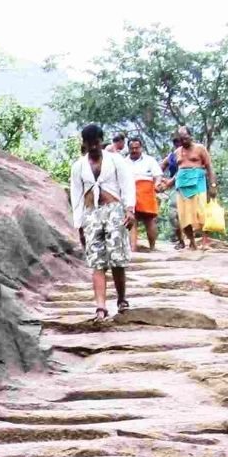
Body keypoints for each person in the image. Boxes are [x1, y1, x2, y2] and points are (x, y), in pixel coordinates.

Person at [71, 123, 136, 321]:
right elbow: (76, 195)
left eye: (96, 143)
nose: (93, 147)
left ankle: (121, 299)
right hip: (91, 214)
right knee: (96, 260)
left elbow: (127, 185)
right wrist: (79, 223)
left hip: (114, 211)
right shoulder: (78, 166)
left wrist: (130, 209)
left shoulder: (116, 161)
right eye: (89, 143)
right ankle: (100, 306)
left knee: (117, 258)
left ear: (101, 141)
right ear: (84, 143)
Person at [164, 125, 217, 250]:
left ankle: (205, 242)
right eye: (181, 139)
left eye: (186, 138)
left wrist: (213, 185)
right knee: (183, 216)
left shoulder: (200, 149)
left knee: (201, 212)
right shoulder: (177, 152)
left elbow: (209, 167)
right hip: (181, 185)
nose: (184, 141)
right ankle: (192, 242)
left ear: (191, 136)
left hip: (198, 183)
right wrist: (166, 183)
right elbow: (174, 171)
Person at [126, 136, 163, 250]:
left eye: (137, 148)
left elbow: (158, 175)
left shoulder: (150, 160)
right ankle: (133, 248)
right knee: (132, 220)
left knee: (149, 220)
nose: (134, 150)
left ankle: (152, 247)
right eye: (132, 148)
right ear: (128, 148)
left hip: (146, 191)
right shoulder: (123, 162)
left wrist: (157, 184)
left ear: (141, 148)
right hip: (130, 191)